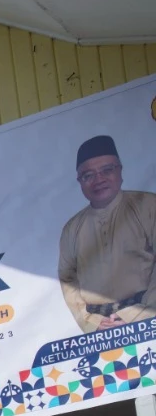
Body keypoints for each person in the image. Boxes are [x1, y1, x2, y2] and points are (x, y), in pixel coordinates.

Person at [58, 134, 156, 333]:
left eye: (107, 170)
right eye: (88, 175)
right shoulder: (72, 229)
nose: (99, 180)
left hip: (149, 320)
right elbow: (67, 279)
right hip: (101, 329)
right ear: (80, 181)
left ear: (120, 171)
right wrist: (91, 322)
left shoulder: (148, 206)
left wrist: (138, 315)